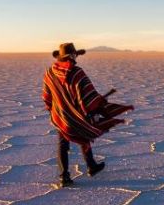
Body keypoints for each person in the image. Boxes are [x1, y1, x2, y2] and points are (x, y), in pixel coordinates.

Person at [42, 42, 134, 187]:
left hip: (60, 116)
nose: (76, 58)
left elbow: (47, 96)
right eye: (74, 55)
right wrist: (100, 103)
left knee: (64, 143)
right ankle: (90, 167)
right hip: (76, 115)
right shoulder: (77, 73)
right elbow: (88, 98)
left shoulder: (50, 72)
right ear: (71, 56)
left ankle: (66, 176)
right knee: (84, 132)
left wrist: (53, 110)